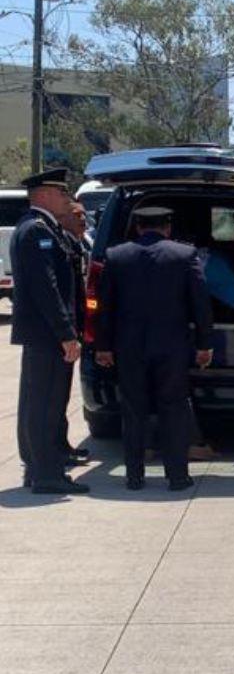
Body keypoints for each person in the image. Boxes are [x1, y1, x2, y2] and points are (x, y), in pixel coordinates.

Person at [96, 206, 214, 491]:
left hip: (129, 348)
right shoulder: (185, 255)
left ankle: (134, 476)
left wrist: (103, 346)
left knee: (133, 411)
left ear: (138, 227)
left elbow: (104, 308)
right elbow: (200, 304)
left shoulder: (116, 255)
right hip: (171, 347)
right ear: (167, 227)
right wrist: (204, 344)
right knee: (173, 410)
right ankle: (177, 476)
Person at [11, 168, 87, 495]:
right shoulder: (36, 231)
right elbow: (47, 288)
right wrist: (66, 332)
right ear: (43, 194)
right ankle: (45, 473)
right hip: (46, 335)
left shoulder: (44, 229)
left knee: (43, 404)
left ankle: (41, 467)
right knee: (43, 405)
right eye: (61, 192)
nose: (66, 198)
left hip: (45, 335)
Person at [57, 199, 91, 469]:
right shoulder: (60, 242)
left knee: (63, 394)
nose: (84, 220)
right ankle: (54, 451)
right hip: (61, 333)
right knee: (54, 397)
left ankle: (62, 445)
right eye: (77, 215)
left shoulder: (81, 243)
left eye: (84, 215)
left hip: (75, 327)